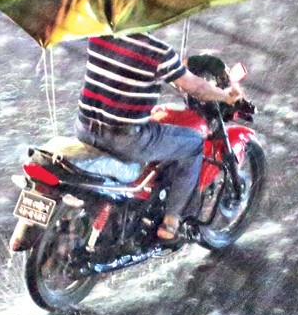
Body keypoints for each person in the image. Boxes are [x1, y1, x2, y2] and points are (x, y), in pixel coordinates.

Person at [74, 32, 242, 243]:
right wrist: (227, 96)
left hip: (85, 128)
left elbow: (127, 62)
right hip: (125, 140)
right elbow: (197, 87)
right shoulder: (158, 52)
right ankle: (171, 223)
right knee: (192, 144)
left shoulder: (99, 34)